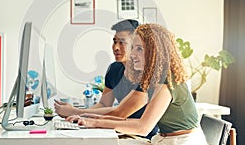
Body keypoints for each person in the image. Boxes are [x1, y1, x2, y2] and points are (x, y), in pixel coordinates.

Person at [66, 24, 207, 145]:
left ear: (155, 52)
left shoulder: (167, 80)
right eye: (133, 47)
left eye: (139, 49)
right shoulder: (152, 79)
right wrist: (91, 118)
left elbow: (143, 127)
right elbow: (123, 116)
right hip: (164, 140)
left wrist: (94, 122)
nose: (132, 54)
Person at [54, 19, 158, 139]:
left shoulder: (145, 75)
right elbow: (104, 103)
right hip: (117, 131)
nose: (116, 47)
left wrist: (75, 112)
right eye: (114, 42)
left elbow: (120, 113)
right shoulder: (114, 69)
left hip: (140, 136)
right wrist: (80, 116)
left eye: (122, 42)